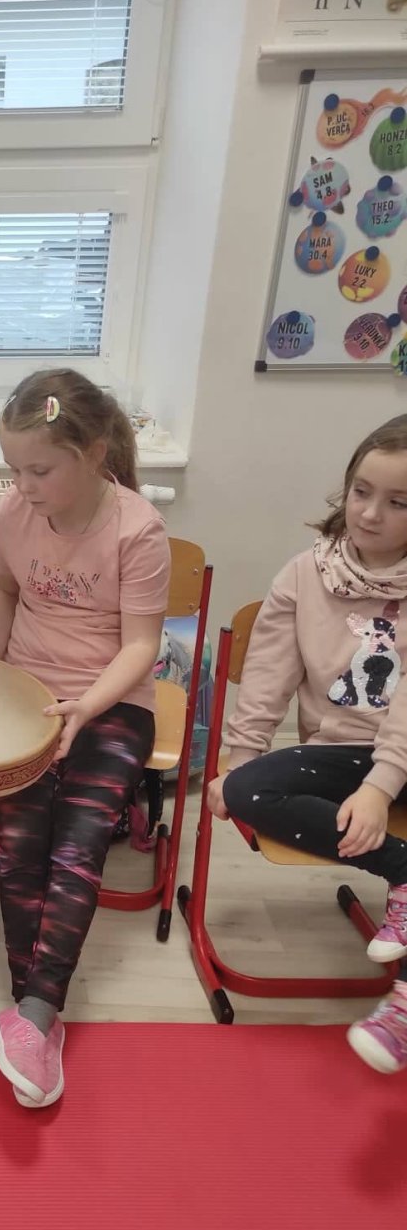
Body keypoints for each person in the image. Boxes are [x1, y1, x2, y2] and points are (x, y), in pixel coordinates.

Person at [0, 370, 169, 1109]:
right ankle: (33, 1012)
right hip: (27, 696)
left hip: (112, 702)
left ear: (92, 453)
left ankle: (35, 1010)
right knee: (21, 837)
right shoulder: (12, 511)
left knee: (78, 843)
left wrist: (85, 708)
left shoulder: (138, 530)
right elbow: (4, 590)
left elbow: (140, 646)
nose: (22, 487)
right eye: (14, 470)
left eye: (39, 470)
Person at [214, 415, 407, 1076]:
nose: (370, 513)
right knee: (248, 788)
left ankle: (401, 1010)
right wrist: (240, 759)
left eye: (398, 502)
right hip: (345, 750)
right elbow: (267, 674)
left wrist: (379, 789)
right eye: (361, 491)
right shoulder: (306, 574)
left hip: (398, 755)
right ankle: (402, 870)